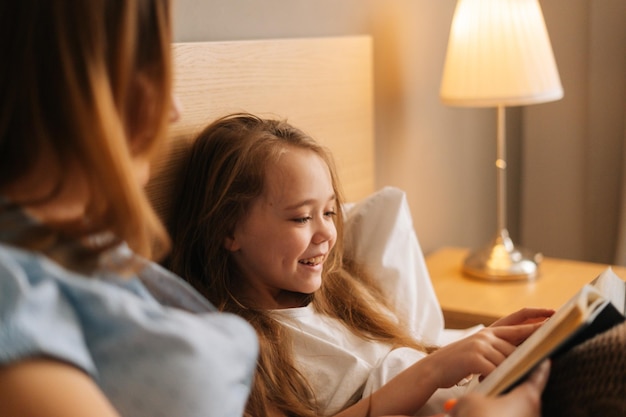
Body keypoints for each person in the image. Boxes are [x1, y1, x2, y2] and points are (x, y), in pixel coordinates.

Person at [166, 112, 554, 417]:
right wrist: (434, 370)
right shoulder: (242, 350)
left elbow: (407, 359)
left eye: (330, 212)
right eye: (301, 218)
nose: (326, 234)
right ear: (227, 229)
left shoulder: (337, 293)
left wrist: (473, 347)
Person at [0, 2, 258, 417]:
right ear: (75, 83)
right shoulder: (11, 292)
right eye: (151, 64)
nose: (173, 110)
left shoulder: (83, 248)